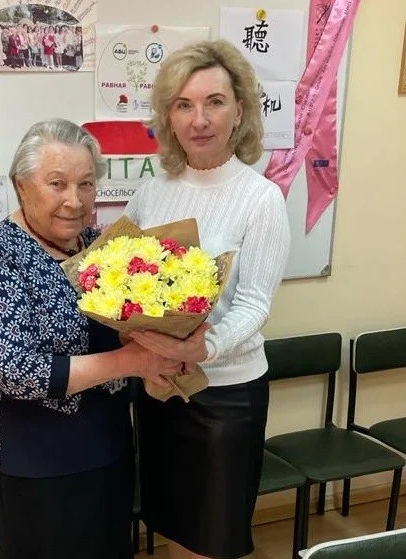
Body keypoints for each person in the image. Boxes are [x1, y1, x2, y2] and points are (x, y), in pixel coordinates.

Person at [0, 118, 182, 559]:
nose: (74, 201)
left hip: (110, 445)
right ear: (22, 186)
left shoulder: (103, 246)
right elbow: (16, 371)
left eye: (86, 183)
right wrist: (132, 361)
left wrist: (171, 343)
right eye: (57, 183)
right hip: (38, 459)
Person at [123, 40, 291, 559]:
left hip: (226, 397)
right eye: (184, 105)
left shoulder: (261, 198)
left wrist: (206, 347)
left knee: (213, 538)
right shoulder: (152, 192)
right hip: (160, 389)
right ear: (168, 117)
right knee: (171, 522)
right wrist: (139, 344)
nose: (199, 119)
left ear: (239, 110)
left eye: (214, 102)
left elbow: (254, 304)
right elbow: (124, 281)